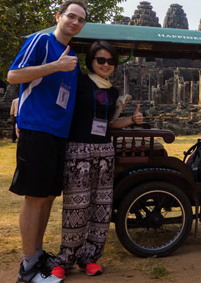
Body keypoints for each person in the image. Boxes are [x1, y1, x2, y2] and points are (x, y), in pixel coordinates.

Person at [49, 41, 143, 278]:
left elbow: (110, 123)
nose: (106, 65)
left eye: (111, 61)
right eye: (101, 60)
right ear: (91, 60)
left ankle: (89, 258)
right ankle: (65, 259)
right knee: (76, 205)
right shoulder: (78, 81)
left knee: (100, 206)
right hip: (78, 150)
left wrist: (132, 120)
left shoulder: (111, 91)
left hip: (104, 151)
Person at [8, 0, 87, 283]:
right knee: (34, 197)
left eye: (80, 20)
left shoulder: (72, 56)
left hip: (59, 133)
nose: (75, 22)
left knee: (49, 196)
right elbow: (13, 75)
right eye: (71, 16)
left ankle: (38, 254)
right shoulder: (41, 42)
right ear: (59, 16)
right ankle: (28, 267)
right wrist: (55, 66)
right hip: (37, 129)